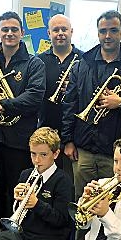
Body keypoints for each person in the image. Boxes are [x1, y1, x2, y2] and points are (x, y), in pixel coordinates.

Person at [0, 11, 46, 219]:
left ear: (22, 32)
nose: (9, 33)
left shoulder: (34, 64)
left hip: (19, 141)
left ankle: (12, 229)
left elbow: (34, 99)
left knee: (15, 189)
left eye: (14, 29)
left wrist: (1, 103)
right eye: (5, 29)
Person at [62, 10, 121, 199]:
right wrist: (67, 140)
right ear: (98, 33)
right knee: (82, 201)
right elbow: (69, 104)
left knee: (112, 203)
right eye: (103, 31)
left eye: (113, 30)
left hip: (116, 154)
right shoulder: (81, 66)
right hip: (83, 150)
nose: (108, 36)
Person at [37, 14, 83, 174]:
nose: (60, 33)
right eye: (55, 30)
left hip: (75, 134)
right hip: (46, 127)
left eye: (64, 29)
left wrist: (72, 90)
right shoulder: (39, 60)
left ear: (71, 31)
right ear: (49, 34)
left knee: (70, 181)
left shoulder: (84, 59)